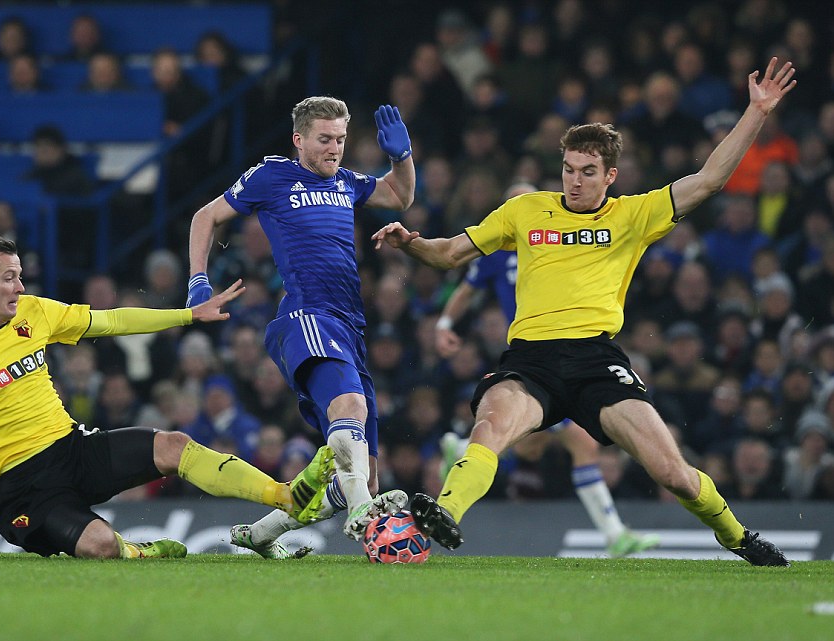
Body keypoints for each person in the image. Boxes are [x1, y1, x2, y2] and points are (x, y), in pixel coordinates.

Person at [371, 58, 796, 566]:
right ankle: (446, 512)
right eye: (569, 170)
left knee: (673, 474)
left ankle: (737, 538)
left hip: (596, 360)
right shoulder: (525, 210)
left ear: (610, 175)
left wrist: (756, 112)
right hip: (531, 360)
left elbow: (708, 180)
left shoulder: (635, 214)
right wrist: (410, 242)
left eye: (588, 172)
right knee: (490, 424)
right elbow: (448, 255)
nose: (575, 181)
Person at [0, 231, 335, 559]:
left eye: (20, 276)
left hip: (72, 449)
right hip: (23, 491)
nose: (20, 287)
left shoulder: (34, 312)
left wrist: (188, 314)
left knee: (173, 445)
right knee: (101, 546)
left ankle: (285, 496)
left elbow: (111, 320)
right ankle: (140, 551)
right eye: (9, 278)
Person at [186, 96, 416, 556]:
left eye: (342, 140)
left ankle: (263, 533)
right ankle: (361, 515)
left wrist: (402, 158)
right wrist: (198, 282)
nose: (335, 149)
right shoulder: (271, 175)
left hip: (350, 324)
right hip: (306, 314)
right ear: (299, 140)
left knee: (363, 474)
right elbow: (205, 216)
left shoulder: (347, 182)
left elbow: (400, 197)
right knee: (349, 408)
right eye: (325, 140)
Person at [435, 181, 660, 557]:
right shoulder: (498, 249)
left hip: (555, 358)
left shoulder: (555, 242)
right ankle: (614, 534)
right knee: (576, 441)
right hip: (532, 361)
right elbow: (466, 289)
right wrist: (444, 324)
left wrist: (445, 325)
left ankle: (460, 447)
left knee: (534, 440)